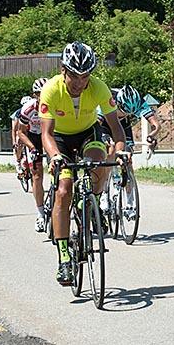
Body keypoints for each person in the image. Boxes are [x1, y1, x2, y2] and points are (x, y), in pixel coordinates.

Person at [40, 41, 126, 285]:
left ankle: (93, 202)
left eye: (85, 76)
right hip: (60, 139)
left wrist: (120, 152)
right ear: (63, 70)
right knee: (64, 189)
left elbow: (116, 129)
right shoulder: (51, 90)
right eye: (74, 76)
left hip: (89, 133)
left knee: (98, 162)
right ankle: (64, 256)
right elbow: (46, 134)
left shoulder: (99, 88)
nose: (79, 82)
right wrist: (55, 156)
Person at [98, 84, 161, 216]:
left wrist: (151, 136)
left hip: (123, 125)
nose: (127, 113)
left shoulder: (137, 101)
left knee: (127, 158)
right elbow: (96, 124)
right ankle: (104, 192)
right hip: (105, 123)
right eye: (124, 110)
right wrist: (102, 138)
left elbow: (156, 125)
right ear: (117, 103)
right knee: (110, 150)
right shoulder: (108, 99)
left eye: (130, 112)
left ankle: (130, 201)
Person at [18, 79, 47, 232]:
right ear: (35, 95)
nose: (44, 97)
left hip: (51, 135)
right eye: (40, 95)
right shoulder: (28, 109)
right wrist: (32, 148)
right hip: (34, 138)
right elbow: (21, 132)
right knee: (36, 176)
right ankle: (40, 214)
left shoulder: (55, 104)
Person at [11, 96, 32, 174]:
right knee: (19, 141)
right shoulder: (19, 113)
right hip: (21, 132)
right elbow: (14, 129)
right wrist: (14, 142)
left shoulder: (33, 111)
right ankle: (18, 160)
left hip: (30, 131)